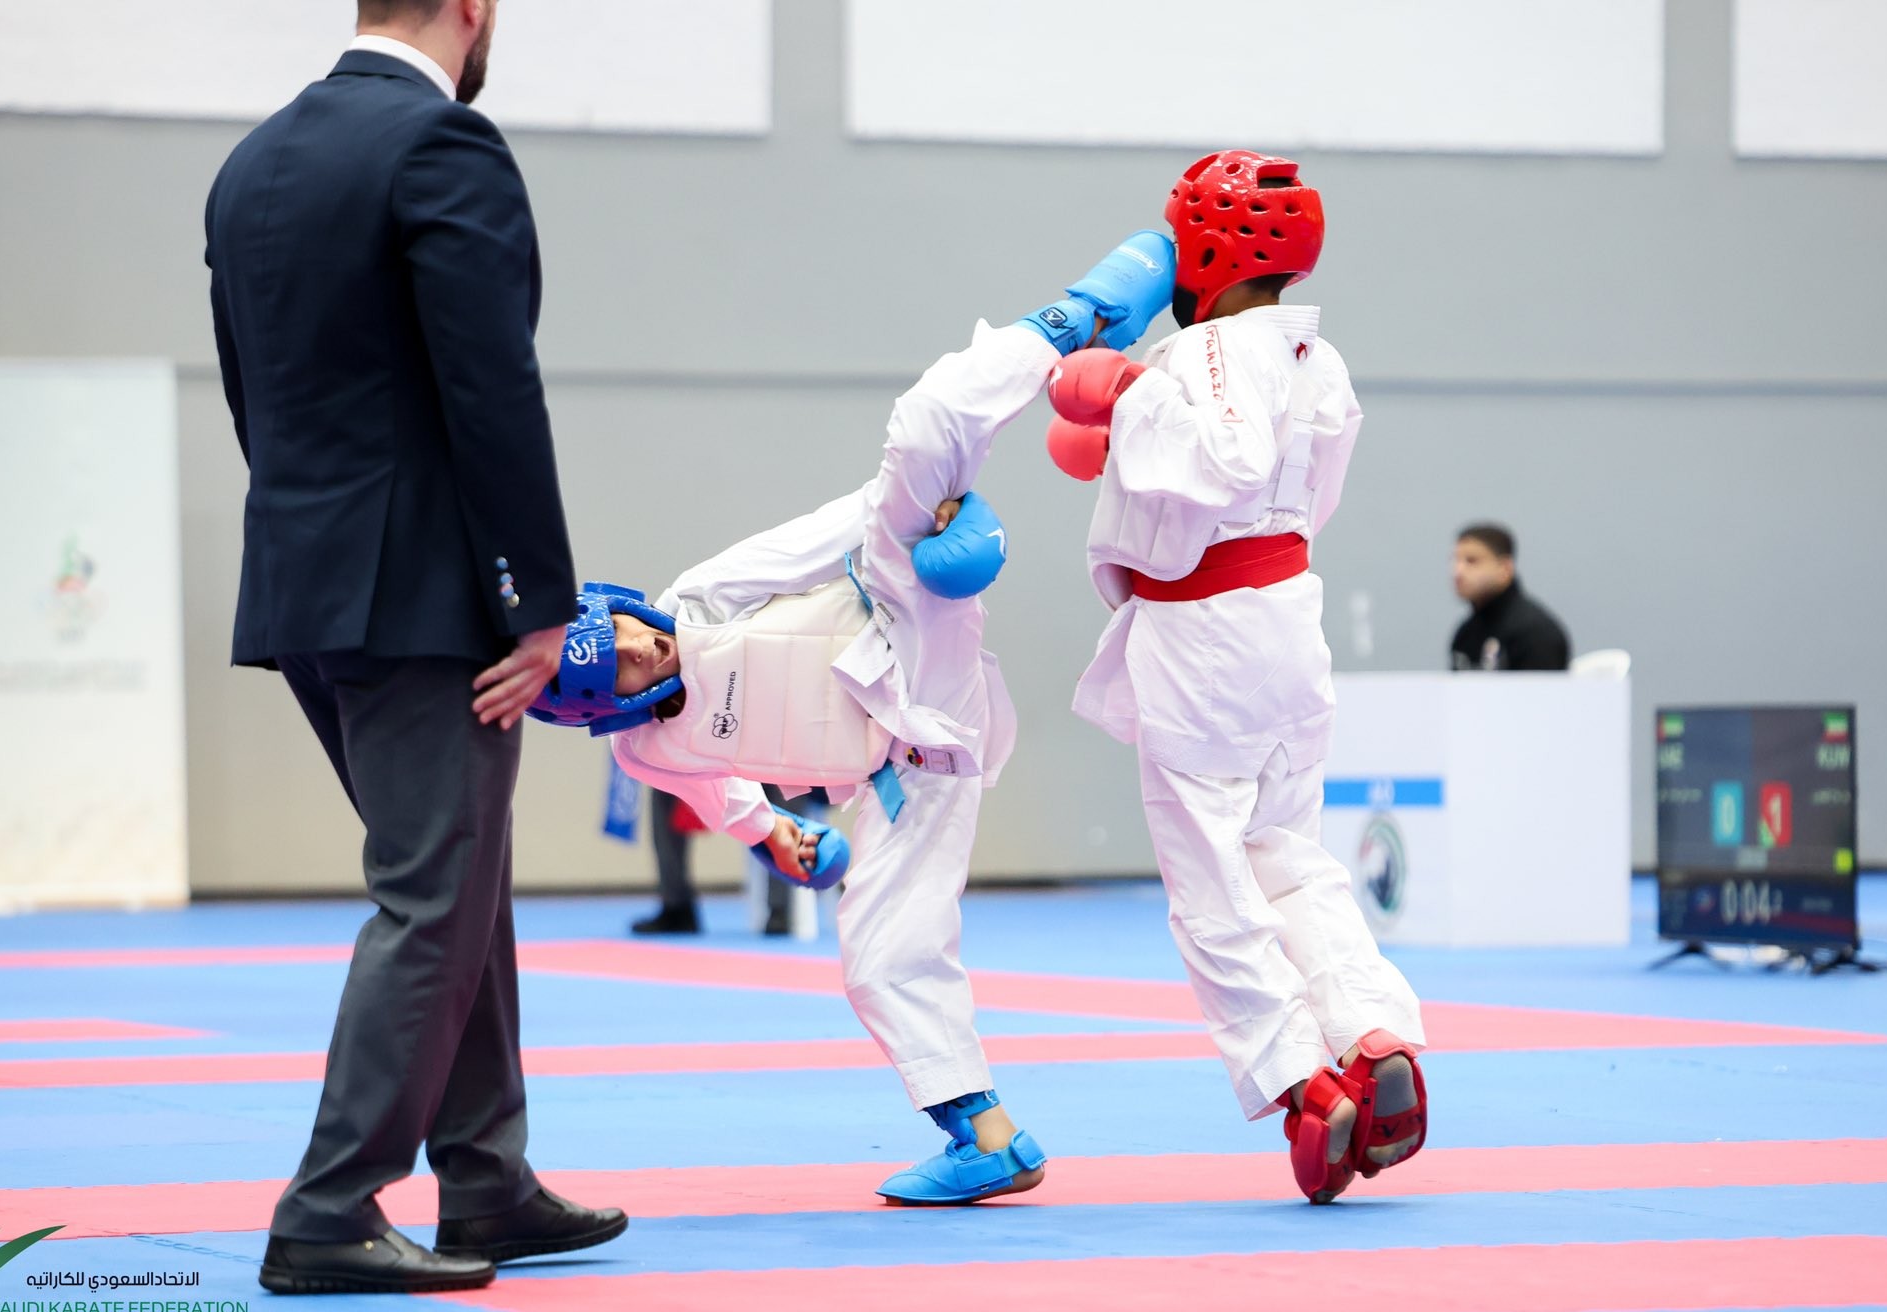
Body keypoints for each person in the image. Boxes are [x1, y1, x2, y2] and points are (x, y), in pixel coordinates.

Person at [527, 233, 1176, 1204]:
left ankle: (1077, 316)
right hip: (912, 767)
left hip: (901, 624)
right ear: (605, 708)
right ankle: (988, 1139)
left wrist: (929, 520)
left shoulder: (696, 597)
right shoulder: (650, 749)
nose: (638, 646)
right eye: (618, 665)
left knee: (922, 427)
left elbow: (832, 532)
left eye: (620, 629)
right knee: (877, 958)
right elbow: (723, 794)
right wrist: (781, 837)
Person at [206, 0, 623, 1295]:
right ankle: (329, 1206)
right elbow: (491, 383)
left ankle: (486, 1178)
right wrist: (537, 599)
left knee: (459, 876)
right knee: (435, 892)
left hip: (307, 585)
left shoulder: (253, 164)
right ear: (471, 8)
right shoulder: (441, 145)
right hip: (426, 598)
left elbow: (251, 395)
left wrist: (317, 543)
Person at [1049, 151, 1429, 1204]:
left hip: (1204, 635)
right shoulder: (1319, 357)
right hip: (1287, 617)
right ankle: (1372, 1031)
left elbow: (1220, 458)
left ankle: (1305, 1083)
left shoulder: (1205, 351)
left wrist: (1131, 395)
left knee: (1209, 879)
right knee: (1287, 858)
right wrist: (1127, 432)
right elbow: (1294, 490)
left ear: (1206, 253)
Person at [637, 784, 828, 936]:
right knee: (665, 782)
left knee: (782, 778)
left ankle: (780, 909)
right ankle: (676, 906)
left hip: (787, 763)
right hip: (729, 758)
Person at [1449, 523, 1571, 670]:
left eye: (1472, 561)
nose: (1458, 572)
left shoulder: (1535, 634)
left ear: (1505, 569)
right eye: (1455, 560)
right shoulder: (1465, 634)